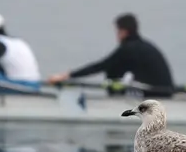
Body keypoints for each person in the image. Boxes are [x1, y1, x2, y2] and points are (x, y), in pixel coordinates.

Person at [47, 13, 175, 98]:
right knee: (115, 69)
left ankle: (114, 104)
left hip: (158, 95)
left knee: (111, 69)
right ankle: (116, 99)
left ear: (124, 32)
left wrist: (67, 76)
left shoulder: (128, 49)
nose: (116, 35)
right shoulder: (144, 45)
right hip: (163, 90)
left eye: (117, 31)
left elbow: (100, 66)